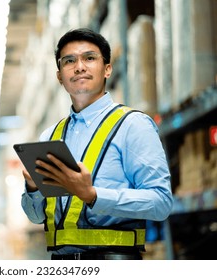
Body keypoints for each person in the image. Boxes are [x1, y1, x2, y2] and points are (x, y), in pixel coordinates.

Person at [20, 28, 173, 260]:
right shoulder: (50, 136)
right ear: (59, 76)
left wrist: (92, 195)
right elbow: (36, 217)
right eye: (69, 61)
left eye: (89, 58)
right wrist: (33, 189)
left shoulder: (133, 125)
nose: (79, 66)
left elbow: (161, 202)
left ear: (107, 69)